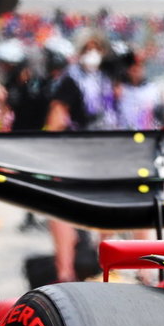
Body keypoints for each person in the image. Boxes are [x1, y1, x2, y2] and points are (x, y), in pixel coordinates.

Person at [43, 35, 114, 281]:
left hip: (103, 151)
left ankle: (107, 267)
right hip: (74, 152)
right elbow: (57, 115)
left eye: (97, 48)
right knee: (64, 213)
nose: (92, 54)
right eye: (88, 48)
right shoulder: (71, 79)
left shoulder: (105, 78)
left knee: (106, 211)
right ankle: (66, 272)